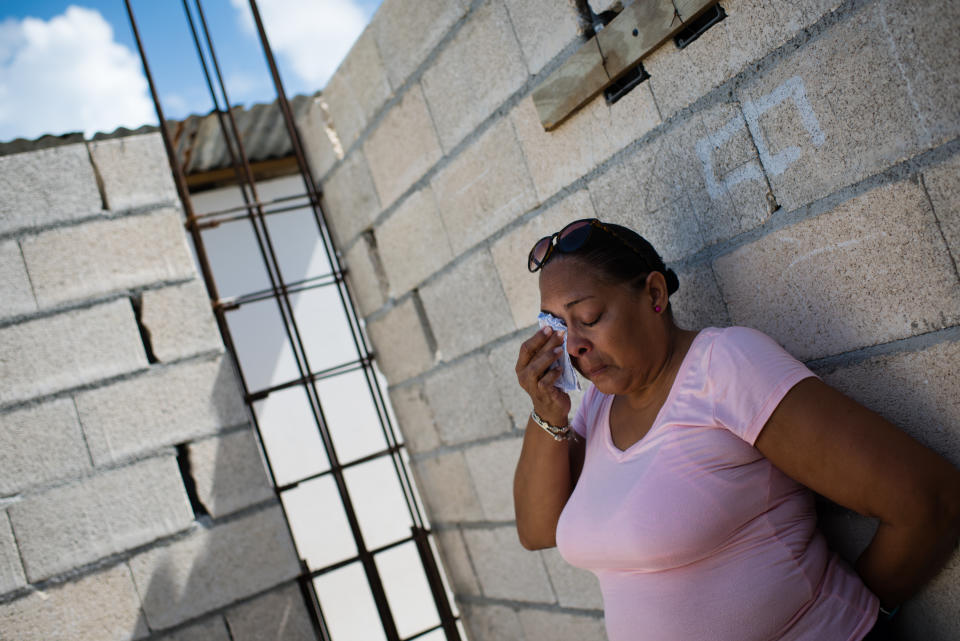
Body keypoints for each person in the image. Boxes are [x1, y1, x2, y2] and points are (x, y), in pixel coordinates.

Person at [512, 218, 960, 641]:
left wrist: (853, 620)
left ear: (654, 294)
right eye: (556, 326)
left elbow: (929, 501)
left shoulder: (724, 366)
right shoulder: (596, 404)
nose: (573, 345)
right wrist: (547, 412)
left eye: (588, 317)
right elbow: (537, 530)